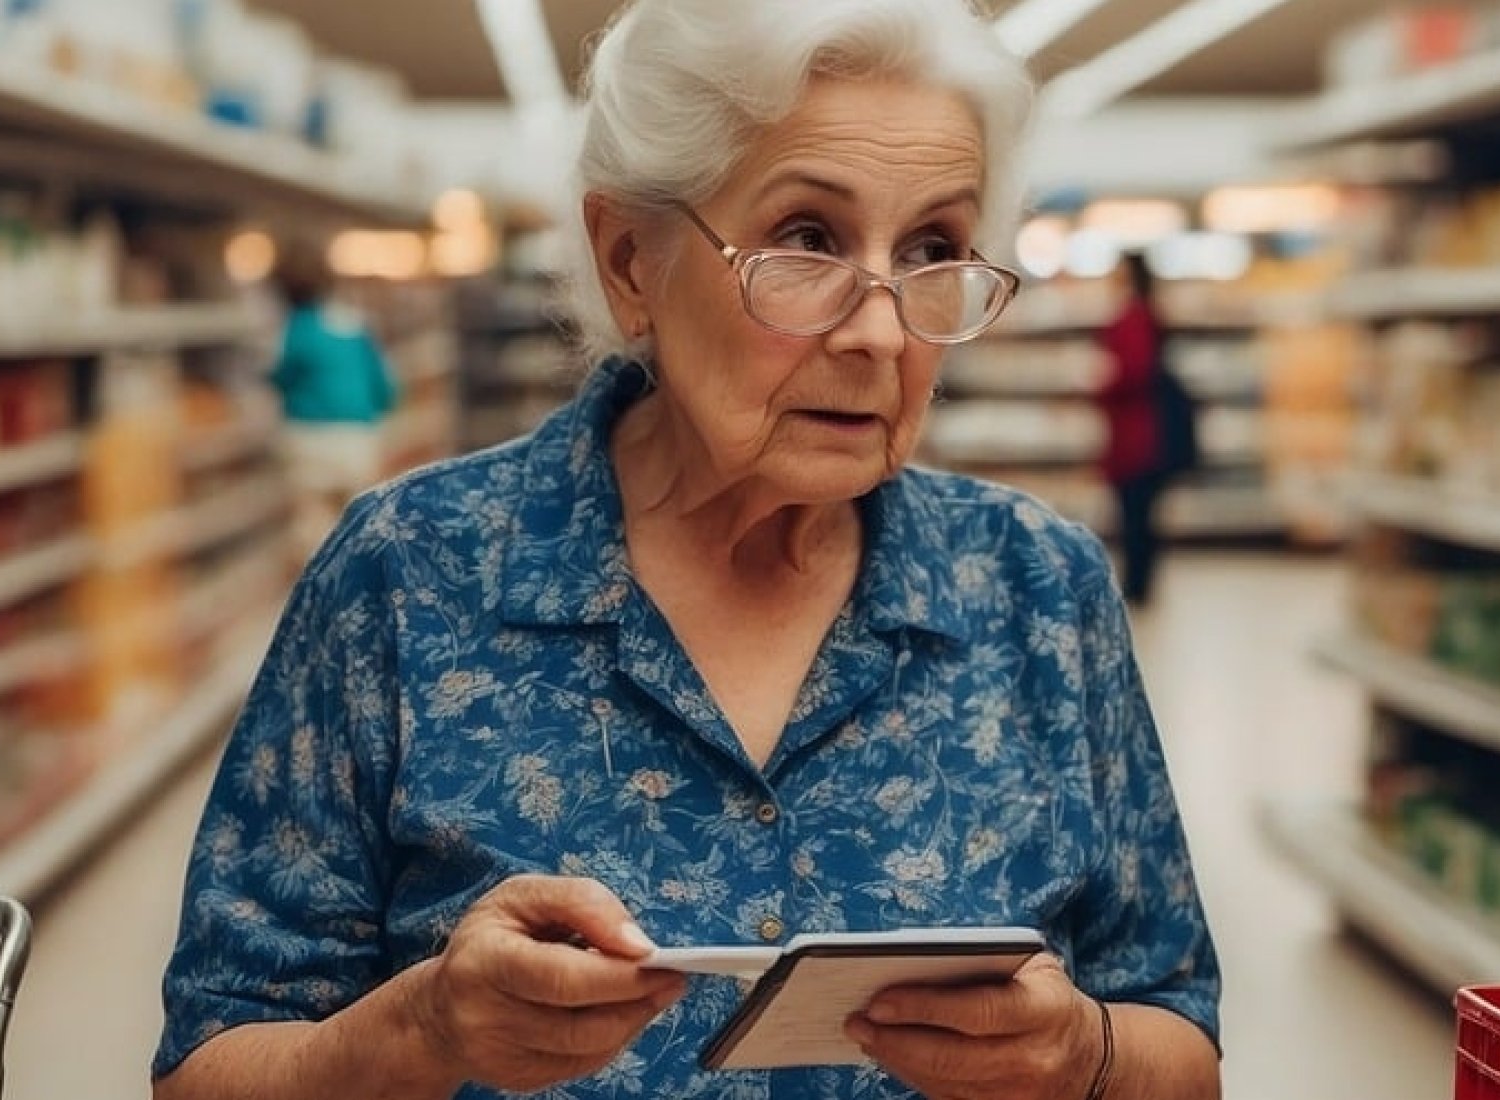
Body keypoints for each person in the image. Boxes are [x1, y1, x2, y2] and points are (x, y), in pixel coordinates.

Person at [151, 1, 1222, 1096]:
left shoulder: (1039, 589)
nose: (882, 331)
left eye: (934, 249)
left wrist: (1084, 1051)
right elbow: (207, 1062)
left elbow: (1178, 1034)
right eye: (807, 238)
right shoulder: (406, 573)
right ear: (629, 262)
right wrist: (419, 1030)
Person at [269, 257, 399, 550]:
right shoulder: (355, 325)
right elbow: (385, 388)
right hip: (358, 439)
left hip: (309, 439)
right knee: (361, 526)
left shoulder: (297, 328)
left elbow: (281, 377)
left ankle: (320, 591)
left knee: (314, 527)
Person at [1095, 250, 1200, 607]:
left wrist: (1102, 386)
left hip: (1136, 434)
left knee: (1135, 514)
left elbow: (1132, 372)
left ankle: (1137, 585)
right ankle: (1140, 583)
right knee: (1142, 514)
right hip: (1147, 430)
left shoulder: (1132, 317)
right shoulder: (1151, 313)